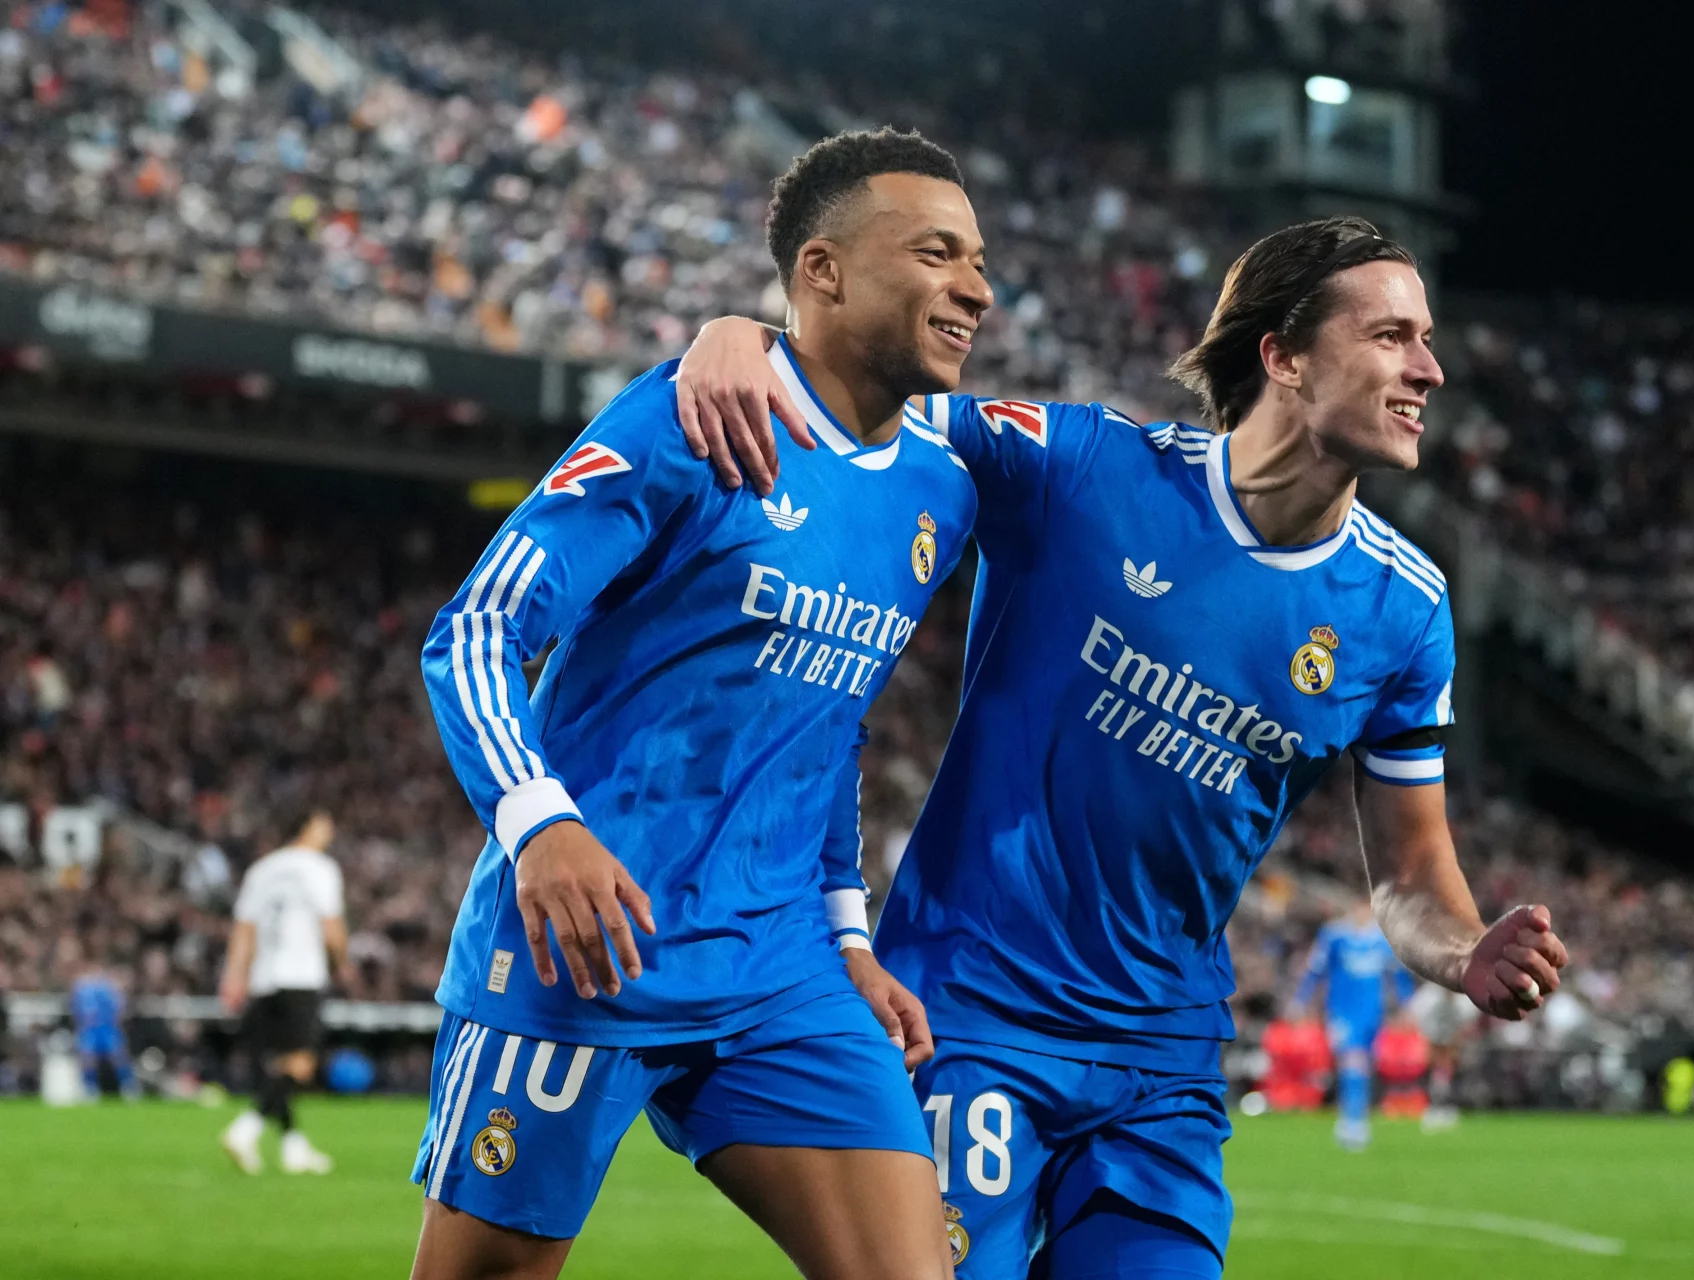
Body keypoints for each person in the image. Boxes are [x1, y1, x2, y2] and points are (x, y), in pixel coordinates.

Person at [675, 213, 1570, 1278]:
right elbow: (859, 410)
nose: (1427, 366)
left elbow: (1414, 871)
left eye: (1426, 338)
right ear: (1282, 355)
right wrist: (745, 336)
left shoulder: (1405, 609)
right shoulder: (1080, 469)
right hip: (970, 1017)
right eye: (1389, 336)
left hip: (1162, 1067)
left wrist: (1465, 950)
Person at [408, 128, 988, 1280]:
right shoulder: (691, 418)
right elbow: (475, 629)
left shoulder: (942, 483)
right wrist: (541, 823)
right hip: (590, 940)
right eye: (937, 253)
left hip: (782, 962)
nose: (976, 286)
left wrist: (846, 933)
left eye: (979, 259)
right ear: (822, 270)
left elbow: (829, 721)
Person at [219, 810, 347, 1175]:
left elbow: (244, 930)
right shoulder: (319, 868)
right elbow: (331, 925)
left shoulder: (263, 870)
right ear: (306, 827)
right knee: (300, 1064)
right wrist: (343, 963)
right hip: (301, 974)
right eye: (324, 823)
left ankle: (294, 1147)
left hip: (264, 977)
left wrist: (234, 978)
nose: (330, 831)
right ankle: (246, 1130)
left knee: (278, 1066)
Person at [1288, 903, 1414, 1151]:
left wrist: (1405, 1004)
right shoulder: (1334, 936)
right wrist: (1301, 1000)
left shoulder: (1381, 940)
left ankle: (1355, 1118)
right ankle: (1353, 1121)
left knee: (1362, 1064)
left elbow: (1397, 975)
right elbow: (1316, 970)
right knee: (1352, 1061)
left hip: (1372, 1013)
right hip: (1342, 1012)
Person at [69, 959, 137, 1101]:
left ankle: (128, 1086)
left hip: (107, 1028)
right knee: (87, 1058)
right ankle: (89, 1090)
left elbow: (119, 1006)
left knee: (119, 1056)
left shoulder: (109, 986)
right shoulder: (81, 986)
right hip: (90, 1030)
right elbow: (75, 1009)